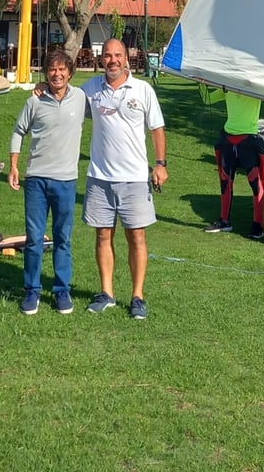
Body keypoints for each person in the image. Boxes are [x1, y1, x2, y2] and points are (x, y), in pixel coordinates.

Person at [80, 37, 167, 320]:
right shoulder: (90, 89)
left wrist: (160, 164)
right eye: (107, 55)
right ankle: (106, 293)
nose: (113, 60)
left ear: (126, 58)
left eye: (118, 55)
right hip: (100, 177)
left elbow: (157, 129)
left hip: (135, 178)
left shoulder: (143, 89)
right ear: (101, 58)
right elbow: (65, 98)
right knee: (103, 235)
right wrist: (44, 87)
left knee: (136, 237)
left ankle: (137, 296)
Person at [9, 49, 87, 316]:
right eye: (52, 69)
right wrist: (13, 166)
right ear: (46, 73)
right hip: (36, 180)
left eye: (62, 69)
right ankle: (32, 290)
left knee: (63, 238)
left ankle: (61, 290)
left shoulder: (81, 98)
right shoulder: (35, 101)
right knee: (34, 239)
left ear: (70, 73)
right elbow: (18, 131)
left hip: (66, 181)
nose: (57, 74)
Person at [200, 84, 264, 239]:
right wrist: (201, 82)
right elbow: (207, 99)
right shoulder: (228, 86)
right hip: (228, 140)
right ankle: (224, 221)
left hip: (249, 141)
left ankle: (257, 226)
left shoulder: (257, 88)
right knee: (225, 183)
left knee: (255, 184)